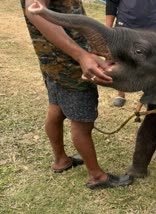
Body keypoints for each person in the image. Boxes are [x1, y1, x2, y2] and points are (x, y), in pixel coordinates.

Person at [21, 0, 133, 189]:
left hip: (54, 59)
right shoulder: (74, 58)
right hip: (68, 62)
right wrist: (81, 55)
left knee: (56, 109)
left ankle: (61, 160)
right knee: (82, 122)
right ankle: (97, 176)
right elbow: (34, 11)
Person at [105, 0, 156, 107]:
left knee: (150, 61)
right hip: (125, 24)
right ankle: (121, 94)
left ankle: (148, 94)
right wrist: (108, 28)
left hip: (150, 26)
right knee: (122, 59)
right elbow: (112, 2)